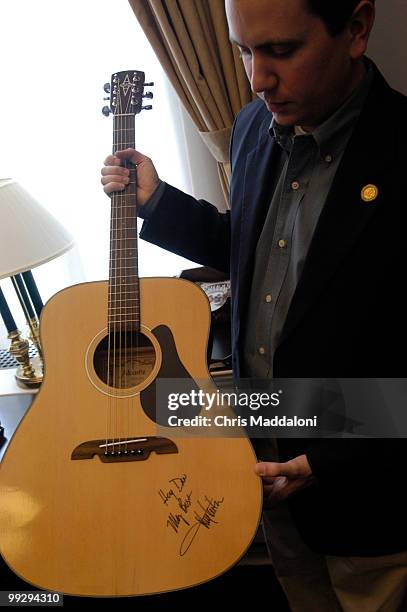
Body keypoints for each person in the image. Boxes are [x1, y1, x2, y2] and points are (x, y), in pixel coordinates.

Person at [101, 1, 407, 609]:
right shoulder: (249, 126)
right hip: (261, 468)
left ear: (356, 28)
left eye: (282, 51)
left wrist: (326, 459)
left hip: (368, 495)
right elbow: (253, 249)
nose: (257, 77)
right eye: (244, 51)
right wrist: (158, 201)